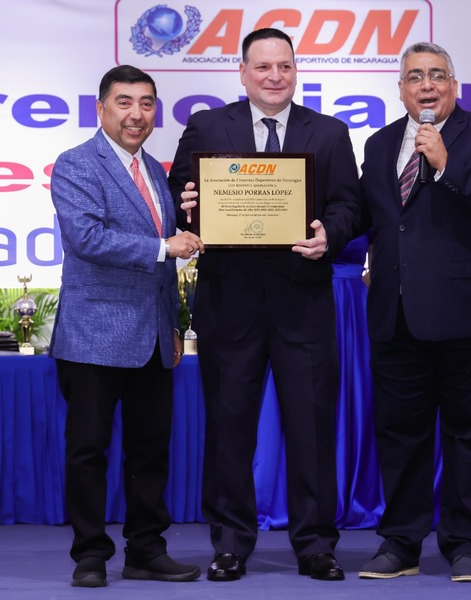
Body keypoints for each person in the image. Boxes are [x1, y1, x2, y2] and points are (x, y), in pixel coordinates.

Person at [168, 28, 361, 582]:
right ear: (243, 72)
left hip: (304, 304)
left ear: (296, 70)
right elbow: (178, 194)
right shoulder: (207, 126)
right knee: (229, 431)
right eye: (263, 67)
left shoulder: (329, 132)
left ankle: (315, 545)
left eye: (284, 66)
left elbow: (350, 205)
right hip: (230, 304)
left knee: (312, 431)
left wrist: (330, 233)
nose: (275, 76)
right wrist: (188, 204)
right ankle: (230, 544)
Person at [357, 42, 471, 583]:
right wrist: (317, 229)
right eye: (414, 77)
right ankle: (400, 542)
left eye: (436, 75)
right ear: (400, 89)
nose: (425, 85)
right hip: (396, 315)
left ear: (453, 84)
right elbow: (368, 217)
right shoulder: (380, 143)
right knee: (399, 434)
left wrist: (447, 164)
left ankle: (466, 543)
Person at [49, 64, 204, 588]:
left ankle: (146, 550)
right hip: (93, 335)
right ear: (100, 108)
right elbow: (87, 238)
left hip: (153, 337)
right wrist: (164, 246)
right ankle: (90, 555)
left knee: (150, 452)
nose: (137, 114)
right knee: (88, 452)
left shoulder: (156, 171)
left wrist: (173, 323)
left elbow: (164, 262)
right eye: (124, 102)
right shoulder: (76, 164)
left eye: (146, 103)